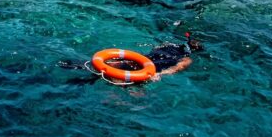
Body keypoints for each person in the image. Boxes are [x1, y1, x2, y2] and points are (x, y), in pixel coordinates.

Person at [59, 33, 204, 83]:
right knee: (113, 75)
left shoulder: (168, 44)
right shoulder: (188, 59)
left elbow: (154, 49)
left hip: (141, 60)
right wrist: (159, 74)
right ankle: (79, 78)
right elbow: (175, 68)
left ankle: (76, 69)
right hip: (149, 69)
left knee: (114, 66)